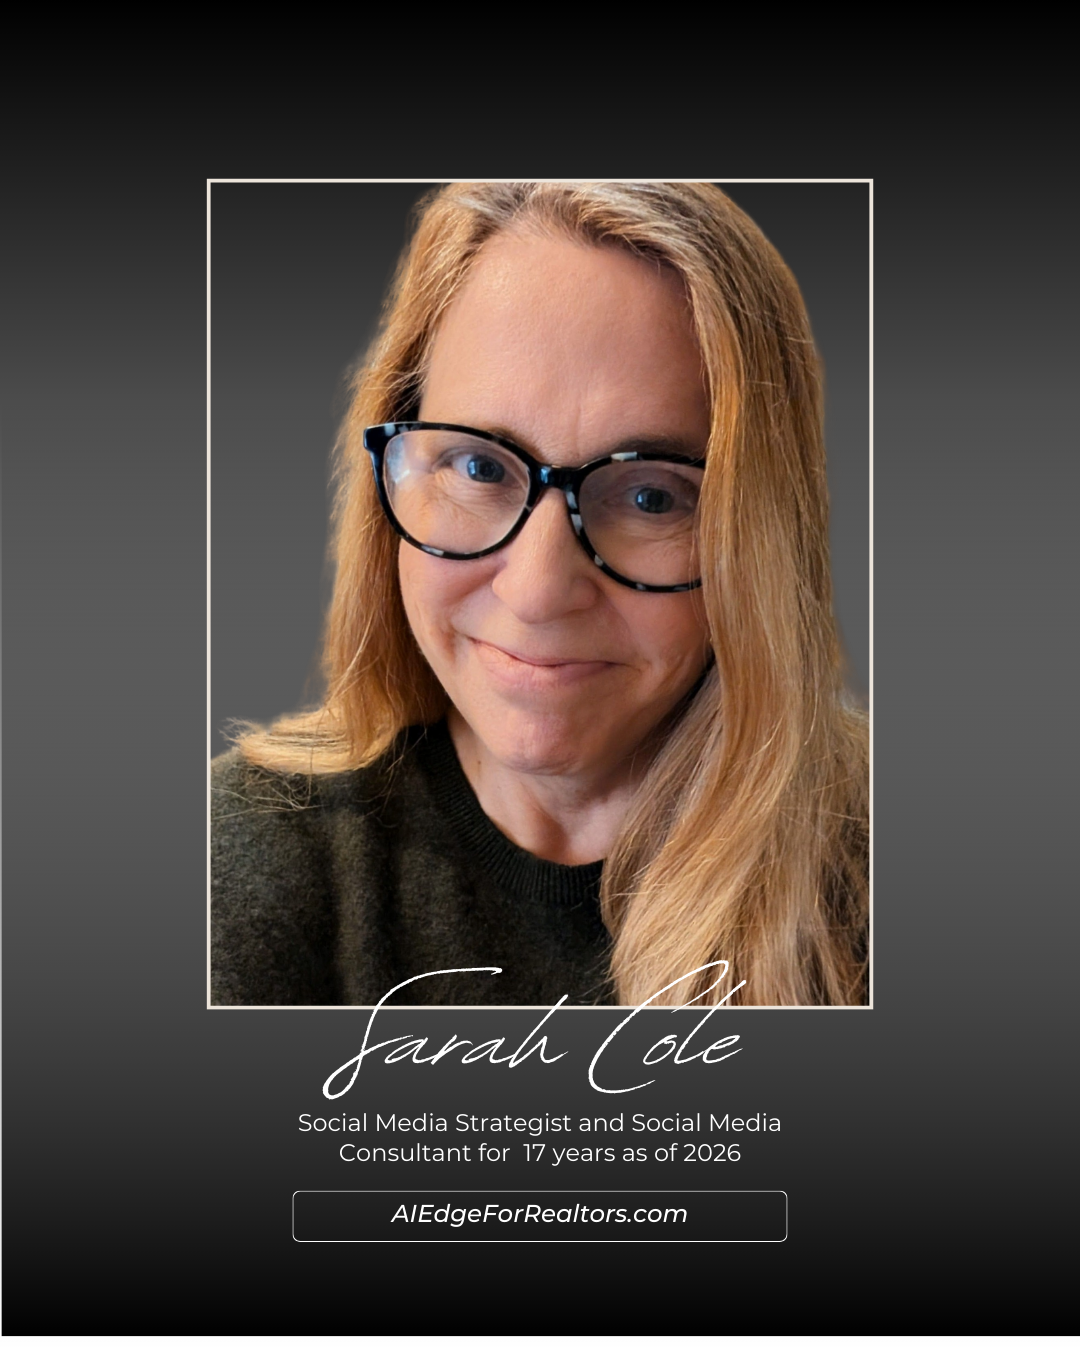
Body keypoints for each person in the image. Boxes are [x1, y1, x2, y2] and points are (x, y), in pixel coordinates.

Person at [211, 181, 868, 1008]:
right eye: (481, 468)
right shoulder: (247, 859)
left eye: (650, 496)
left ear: (762, 537)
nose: (537, 592)